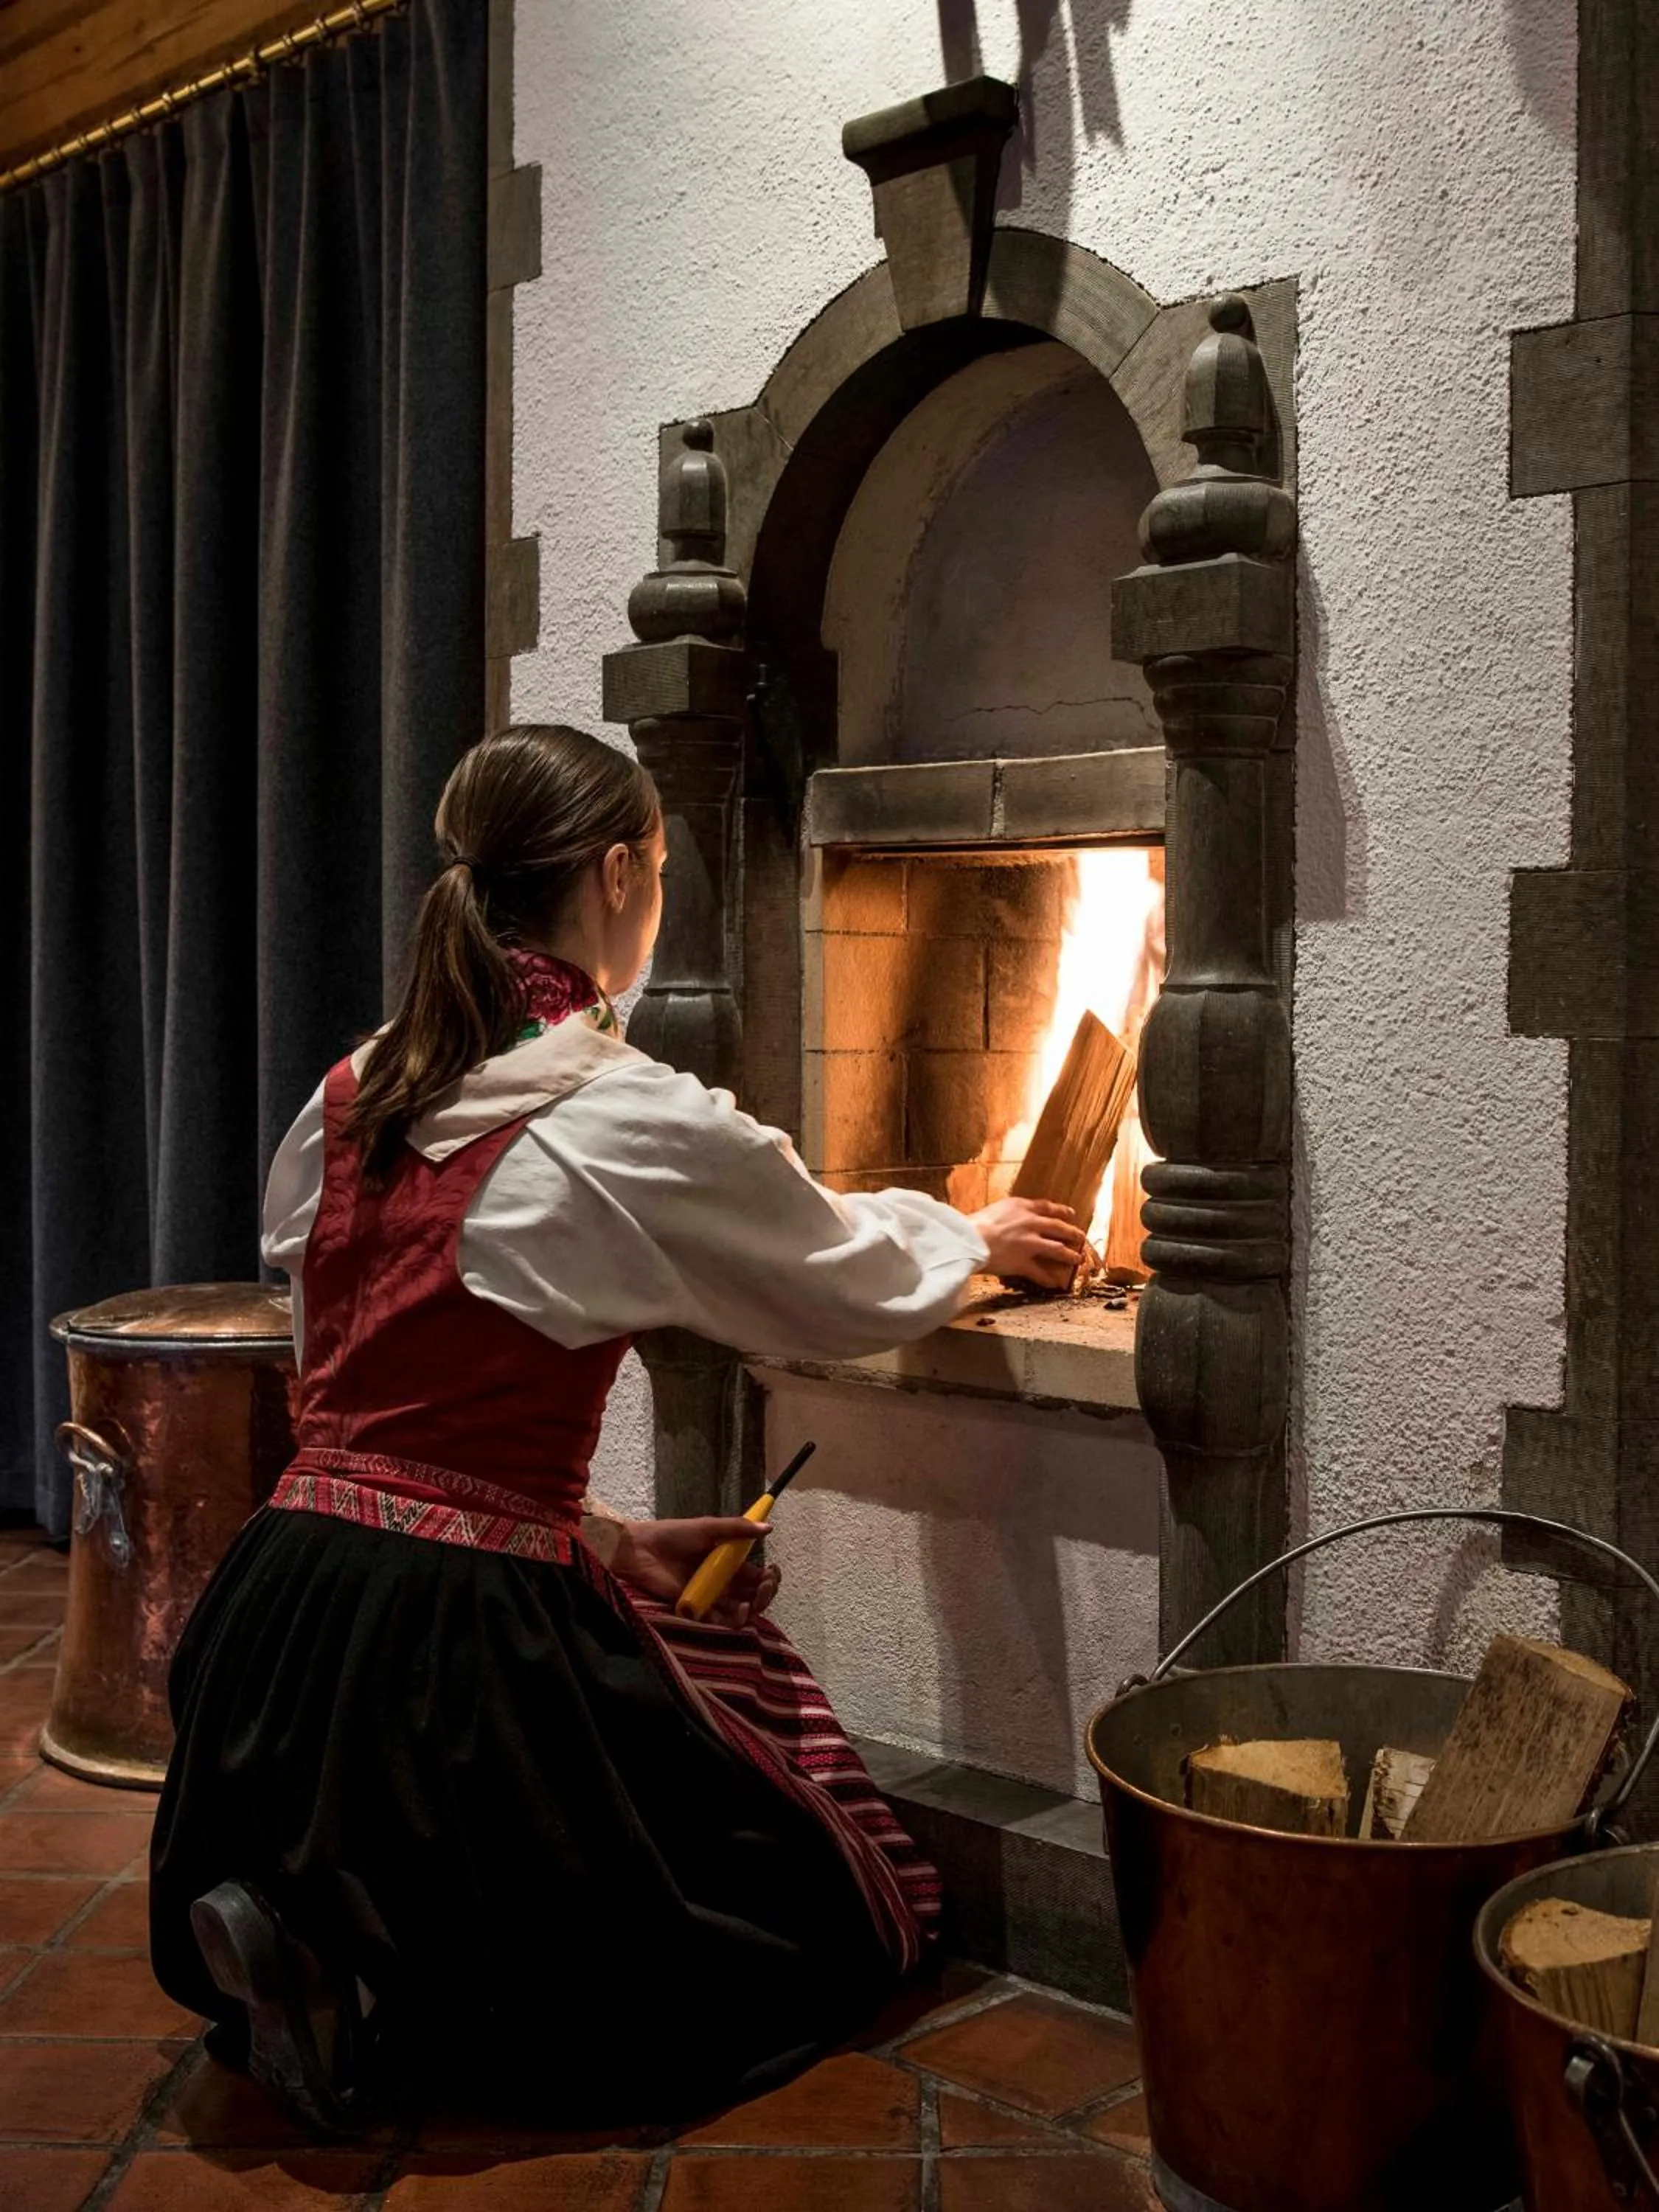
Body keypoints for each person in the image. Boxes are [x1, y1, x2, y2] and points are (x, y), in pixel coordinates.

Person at [149, 724, 1085, 2136]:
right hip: (446, 1656)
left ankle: (321, 1917)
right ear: (618, 871)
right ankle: (395, 1982)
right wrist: (973, 1236)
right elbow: (833, 1278)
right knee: (808, 1903)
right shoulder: (613, 1114)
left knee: (456, 1818)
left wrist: (607, 1538)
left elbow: (381, 1418)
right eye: (661, 869)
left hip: (276, 1621)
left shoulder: (356, 1094)